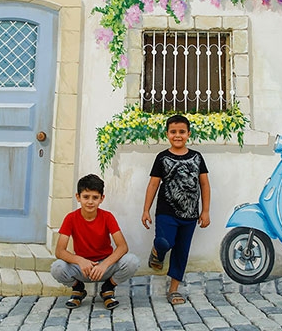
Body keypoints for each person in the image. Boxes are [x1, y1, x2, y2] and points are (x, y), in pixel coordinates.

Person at [141, 114, 211, 305]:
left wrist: (205, 211)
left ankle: (173, 290)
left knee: (181, 251)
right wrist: (146, 210)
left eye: (182, 131)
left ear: (188, 134)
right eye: (173, 132)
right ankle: (157, 252)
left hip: (191, 215)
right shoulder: (162, 158)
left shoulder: (197, 157)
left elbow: (204, 184)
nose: (177, 135)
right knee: (164, 242)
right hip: (166, 211)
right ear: (167, 134)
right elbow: (153, 184)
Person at [51, 173, 140, 310]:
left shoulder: (107, 217)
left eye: (95, 197)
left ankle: (107, 288)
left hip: (105, 267)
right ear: (78, 197)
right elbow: (60, 251)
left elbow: (122, 247)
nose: (90, 202)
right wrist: (80, 261)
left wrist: (104, 265)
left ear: (101, 199)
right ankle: (78, 289)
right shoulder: (71, 218)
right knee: (57, 267)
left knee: (132, 261)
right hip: (83, 268)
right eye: (86, 197)